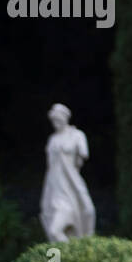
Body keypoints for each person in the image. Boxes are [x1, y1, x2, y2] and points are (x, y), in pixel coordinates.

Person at [40, 103, 96, 241]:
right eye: (53, 120)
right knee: (54, 231)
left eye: (58, 119)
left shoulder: (77, 136)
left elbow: (81, 158)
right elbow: (50, 167)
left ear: (66, 118)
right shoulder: (52, 139)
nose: (55, 123)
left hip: (71, 187)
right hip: (55, 191)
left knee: (88, 211)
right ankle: (66, 259)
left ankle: (68, 257)